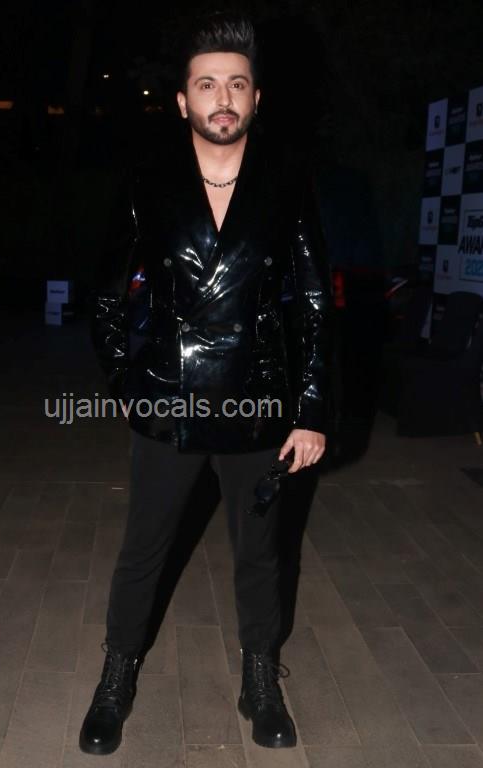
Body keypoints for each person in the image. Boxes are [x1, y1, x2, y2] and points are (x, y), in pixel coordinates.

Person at [80, 10, 334, 755]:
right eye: (206, 85)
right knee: (144, 550)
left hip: (260, 403)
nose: (222, 98)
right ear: (182, 99)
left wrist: (310, 408)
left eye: (237, 84)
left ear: (256, 97)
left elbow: (313, 301)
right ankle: (116, 676)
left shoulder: (286, 180)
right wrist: (130, 383)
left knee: (260, 552)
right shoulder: (148, 180)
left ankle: (259, 679)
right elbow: (105, 296)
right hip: (170, 401)